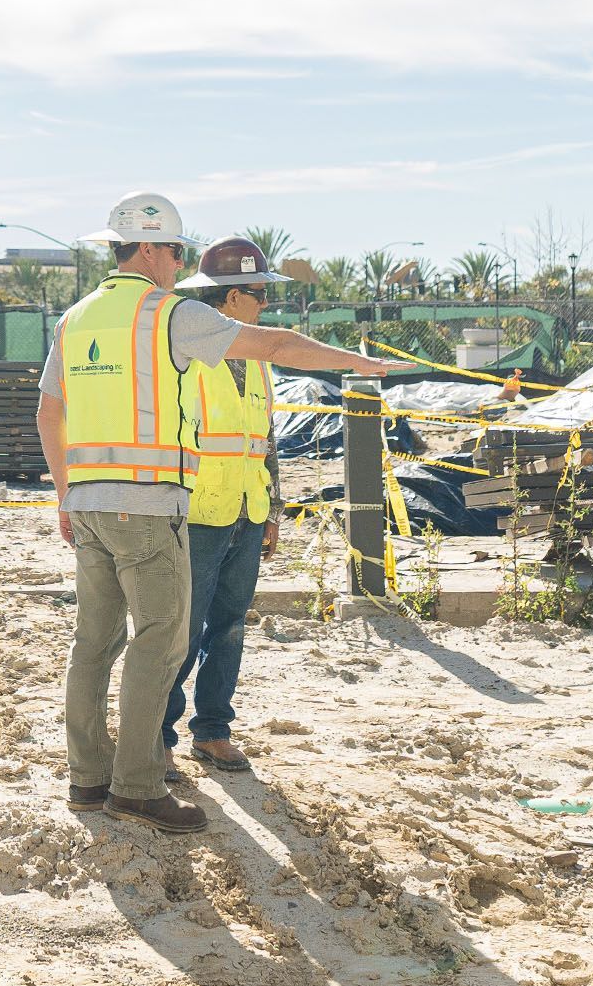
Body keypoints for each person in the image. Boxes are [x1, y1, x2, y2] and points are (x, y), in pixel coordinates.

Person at [36, 191, 391, 835]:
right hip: (148, 507)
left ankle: (87, 780)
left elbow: (48, 413)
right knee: (163, 640)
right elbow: (277, 346)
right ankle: (138, 785)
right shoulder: (165, 314)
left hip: (88, 504)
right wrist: (357, 363)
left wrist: (66, 493)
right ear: (148, 249)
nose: (178, 264)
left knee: (93, 645)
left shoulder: (75, 319)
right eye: (175, 251)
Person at [161, 237, 286, 776]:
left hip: (246, 509)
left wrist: (272, 512)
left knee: (229, 626)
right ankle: (156, 737)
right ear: (232, 297)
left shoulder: (257, 361)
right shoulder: (187, 355)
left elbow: (267, 440)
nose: (266, 306)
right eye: (260, 294)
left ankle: (211, 730)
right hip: (198, 513)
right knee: (180, 631)